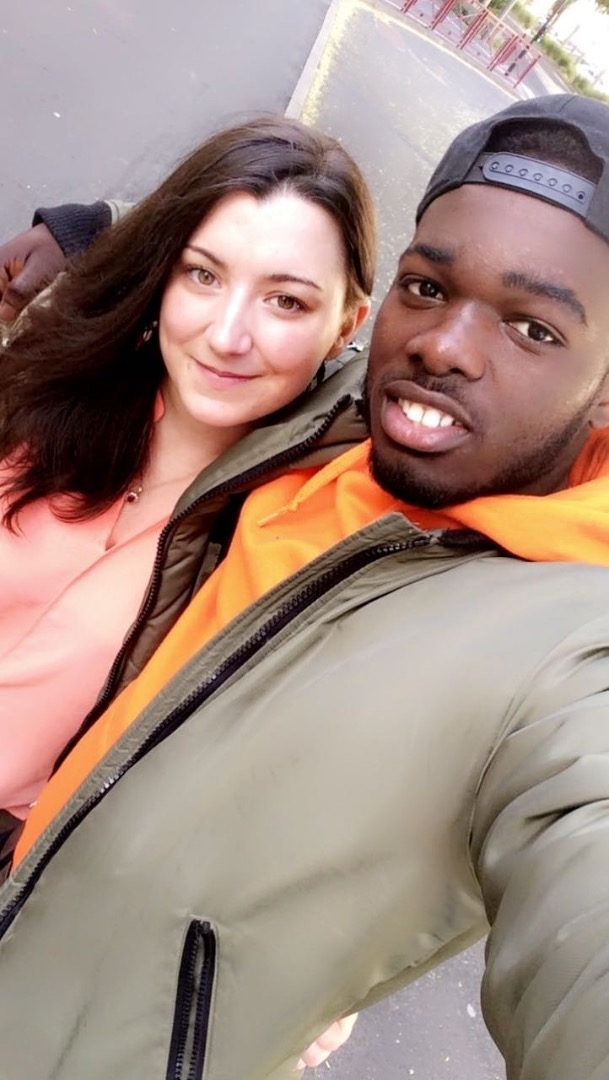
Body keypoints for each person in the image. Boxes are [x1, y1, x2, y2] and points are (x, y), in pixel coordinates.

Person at [2, 92, 609, 1080]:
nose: (447, 345)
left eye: (533, 328)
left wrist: (289, 972)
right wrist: (79, 233)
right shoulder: (316, 430)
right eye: (430, 287)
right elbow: (226, 244)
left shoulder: (571, 645)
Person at [0, 116, 373, 859]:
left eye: (286, 301)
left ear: (344, 326)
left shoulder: (292, 532)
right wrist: (87, 228)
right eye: (204, 275)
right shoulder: (45, 382)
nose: (227, 336)